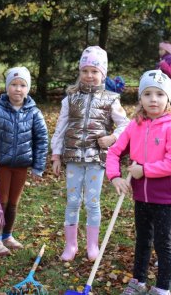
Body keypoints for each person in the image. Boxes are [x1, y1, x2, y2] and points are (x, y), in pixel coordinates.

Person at [106, 70, 171, 295]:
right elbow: (114, 152)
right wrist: (115, 177)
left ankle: (162, 288)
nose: (153, 99)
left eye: (160, 94)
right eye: (148, 93)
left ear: (168, 98)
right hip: (141, 196)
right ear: (140, 98)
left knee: (162, 243)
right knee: (143, 240)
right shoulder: (135, 125)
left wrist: (145, 170)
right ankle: (138, 281)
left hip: (166, 197)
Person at [51, 46, 129, 262]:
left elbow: (126, 125)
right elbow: (60, 127)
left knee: (92, 202)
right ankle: (71, 245)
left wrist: (112, 138)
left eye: (94, 71)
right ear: (80, 72)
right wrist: (56, 155)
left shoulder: (111, 99)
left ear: (103, 73)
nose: (89, 75)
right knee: (73, 201)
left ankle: (92, 246)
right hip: (74, 158)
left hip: (96, 159)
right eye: (85, 71)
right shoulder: (70, 98)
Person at [0, 66, 49, 256]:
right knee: (0, 202)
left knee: (13, 203)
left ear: (28, 88)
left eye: (22, 85)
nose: (18, 89)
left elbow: (42, 139)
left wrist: (38, 167)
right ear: (7, 87)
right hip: (2, 164)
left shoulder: (34, 113)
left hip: (21, 165)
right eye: (13, 84)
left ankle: (7, 235)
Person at [156, 41, 171, 107]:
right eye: (159, 49)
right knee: (162, 107)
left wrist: (163, 64)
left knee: (169, 107)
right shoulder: (163, 60)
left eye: (161, 49)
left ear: (167, 51)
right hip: (163, 88)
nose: (159, 51)